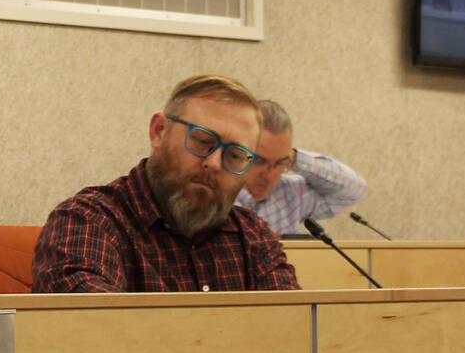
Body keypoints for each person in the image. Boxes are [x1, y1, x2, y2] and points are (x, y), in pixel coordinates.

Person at [32, 74, 298, 293]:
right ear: (159, 131)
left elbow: (294, 331)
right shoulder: (89, 220)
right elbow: (95, 327)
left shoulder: (254, 237)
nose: (215, 163)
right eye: (203, 142)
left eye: (235, 156)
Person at [234, 100, 367, 235]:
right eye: (260, 161)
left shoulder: (289, 194)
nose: (270, 176)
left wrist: (295, 158)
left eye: (280, 163)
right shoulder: (217, 196)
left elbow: (354, 190)